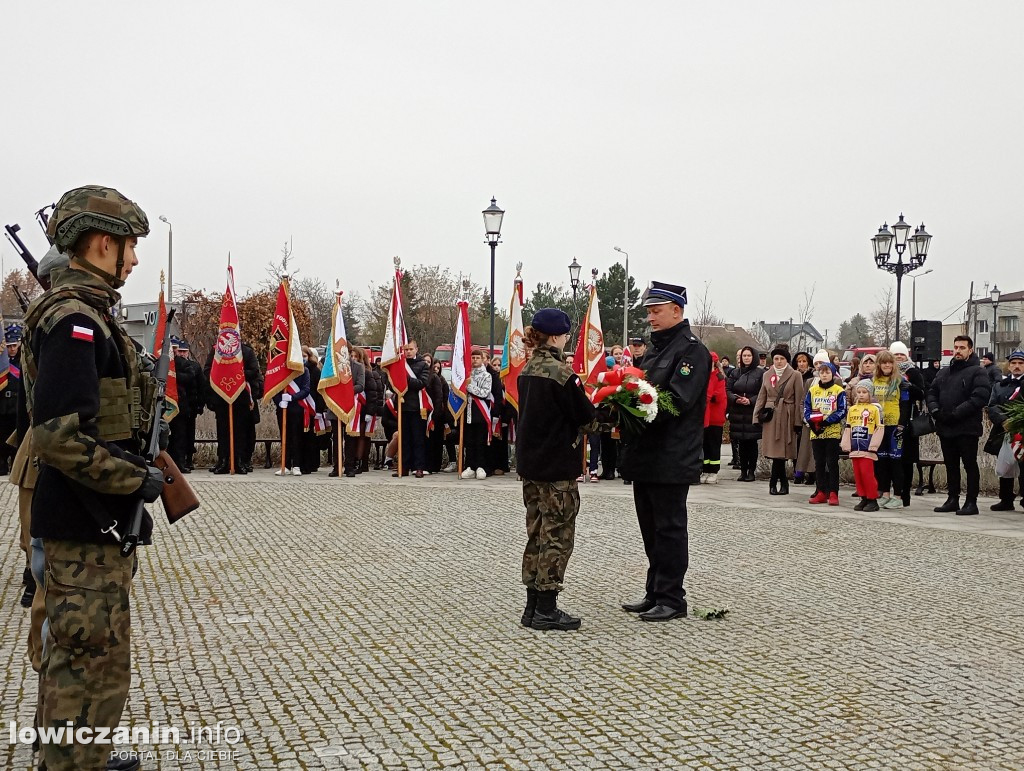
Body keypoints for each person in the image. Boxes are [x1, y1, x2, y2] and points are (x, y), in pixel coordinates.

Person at [22, 185, 163, 771]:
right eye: (129, 247)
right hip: (81, 530)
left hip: (90, 528)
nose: (133, 260)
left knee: (80, 669)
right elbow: (58, 436)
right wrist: (136, 477)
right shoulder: (74, 322)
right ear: (104, 244)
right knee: (86, 673)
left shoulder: (89, 316)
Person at [619, 281, 711, 622]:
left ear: (677, 310)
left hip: (672, 455)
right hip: (647, 454)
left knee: (669, 528)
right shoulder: (656, 350)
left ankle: (673, 598)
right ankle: (655, 590)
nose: (651, 317)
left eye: (656, 311)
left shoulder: (691, 351)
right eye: (648, 312)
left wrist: (632, 404)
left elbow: (677, 401)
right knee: (650, 527)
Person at [517, 308, 609, 631]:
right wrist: (610, 412)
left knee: (536, 534)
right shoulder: (561, 374)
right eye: (566, 334)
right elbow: (586, 419)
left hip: (532, 468)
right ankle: (546, 608)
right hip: (557, 469)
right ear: (556, 336)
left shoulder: (527, 369)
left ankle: (531, 606)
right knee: (557, 536)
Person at [926, 335, 991, 516]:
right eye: (955, 347)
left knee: (969, 465)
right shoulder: (943, 372)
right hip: (945, 426)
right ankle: (952, 499)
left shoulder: (978, 372)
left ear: (970, 350)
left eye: (962, 348)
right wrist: (935, 410)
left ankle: (971, 502)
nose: (958, 351)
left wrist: (956, 414)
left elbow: (979, 397)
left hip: (966, 427)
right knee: (951, 465)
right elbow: (931, 392)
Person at [753, 347, 806, 495]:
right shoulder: (767, 375)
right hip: (771, 417)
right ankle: (780, 483)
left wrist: (797, 421)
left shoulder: (795, 375)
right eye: (776, 358)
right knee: (776, 453)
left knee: (781, 453)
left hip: (787, 416)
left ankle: (774, 482)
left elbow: (799, 399)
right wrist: (756, 416)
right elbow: (761, 396)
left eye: (782, 359)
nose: (779, 361)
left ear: (787, 360)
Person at [204, 340, 261, 474]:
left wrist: (235, 373)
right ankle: (223, 460)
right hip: (222, 398)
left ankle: (240, 460)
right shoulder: (217, 351)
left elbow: (254, 371)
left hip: (241, 399)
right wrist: (222, 373)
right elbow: (207, 371)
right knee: (223, 431)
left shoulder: (246, 351)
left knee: (240, 432)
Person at [871, 351, 910, 510]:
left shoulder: (900, 381)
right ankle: (885, 493)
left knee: (896, 462)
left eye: (890, 363)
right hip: (879, 426)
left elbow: (906, 405)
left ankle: (898, 496)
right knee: (882, 462)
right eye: (883, 363)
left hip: (895, 426)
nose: (887, 365)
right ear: (879, 365)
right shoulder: (874, 381)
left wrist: (902, 425)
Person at [985, 349, 1024, 510]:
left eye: (1021, 364)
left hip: (1022, 432)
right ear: (1008, 366)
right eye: (1013, 363)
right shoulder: (1000, 385)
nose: (1016, 366)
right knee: (1006, 465)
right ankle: (1006, 499)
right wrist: (1004, 420)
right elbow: (992, 405)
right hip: (1004, 430)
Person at [889, 341, 927, 507]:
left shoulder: (912, 371)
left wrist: (910, 387)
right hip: (891, 418)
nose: (898, 357)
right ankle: (891, 492)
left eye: (901, 354)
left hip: (909, 420)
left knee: (906, 459)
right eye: (895, 354)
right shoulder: (887, 371)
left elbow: (922, 393)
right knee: (891, 459)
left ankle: (905, 494)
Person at [804, 362, 847, 505]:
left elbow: (842, 410)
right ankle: (821, 491)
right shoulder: (813, 390)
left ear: (833, 374)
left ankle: (833, 493)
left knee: (832, 462)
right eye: (822, 372)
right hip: (816, 431)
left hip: (832, 431)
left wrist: (826, 422)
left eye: (827, 372)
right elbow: (807, 408)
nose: (824, 374)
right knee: (819, 462)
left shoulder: (839, 390)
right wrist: (812, 423)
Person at [843, 383, 884, 511]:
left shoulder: (875, 409)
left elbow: (879, 428)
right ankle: (863, 497)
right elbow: (848, 427)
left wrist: (874, 445)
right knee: (858, 475)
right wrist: (846, 444)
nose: (861, 394)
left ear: (870, 394)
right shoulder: (852, 409)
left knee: (867, 474)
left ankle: (872, 499)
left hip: (868, 447)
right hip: (855, 447)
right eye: (859, 392)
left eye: (864, 392)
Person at [727, 346, 763, 482]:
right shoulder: (735, 372)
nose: (746, 358)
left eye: (748, 355)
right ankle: (742, 471)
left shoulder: (760, 374)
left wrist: (751, 401)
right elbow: (728, 389)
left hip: (752, 412)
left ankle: (751, 471)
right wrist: (736, 399)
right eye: (744, 356)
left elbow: (762, 392)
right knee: (741, 443)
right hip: (738, 411)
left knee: (751, 443)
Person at [272, 355, 310, 476]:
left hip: (297, 408)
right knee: (285, 437)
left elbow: (306, 389)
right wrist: (279, 401)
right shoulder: (281, 369)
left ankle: (297, 465)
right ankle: (285, 465)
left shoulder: (303, 370)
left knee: (296, 438)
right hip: (283, 408)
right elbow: (274, 387)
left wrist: (292, 397)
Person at [397, 340, 430, 478]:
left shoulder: (423, 365)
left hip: (417, 407)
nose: (408, 351)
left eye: (411, 349)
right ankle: (404, 466)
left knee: (418, 439)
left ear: (416, 349)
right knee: (404, 439)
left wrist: (406, 379)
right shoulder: (399, 364)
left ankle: (419, 467)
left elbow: (422, 383)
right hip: (402, 406)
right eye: (406, 349)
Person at [167, 337, 199, 474]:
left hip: (180, 405)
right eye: (173, 349)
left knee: (179, 437)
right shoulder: (163, 363)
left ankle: (180, 463)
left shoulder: (182, 363)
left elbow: (190, 376)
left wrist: (173, 376)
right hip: (165, 405)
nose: (175, 352)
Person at [461, 349, 494, 480]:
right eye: (473, 357)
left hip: (480, 411)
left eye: (477, 358)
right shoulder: (466, 374)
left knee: (480, 440)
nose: (475, 360)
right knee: (469, 441)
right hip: (468, 411)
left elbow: (484, 393)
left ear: (482, 359)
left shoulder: (487, 376)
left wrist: (469, 387)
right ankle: (470, 466)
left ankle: (481, 466)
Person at [339, 344, 368, 477]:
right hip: (337, 405)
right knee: (337, 437)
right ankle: (336, 466)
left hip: (352, 405)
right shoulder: (335, 367)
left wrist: (346, 392)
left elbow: (360, 386)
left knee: (350, 438)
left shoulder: (358, 367)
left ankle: (349, 466)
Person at [0, 323, 23, 475]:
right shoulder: (2, 364)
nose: (12, 348)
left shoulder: (24, 362)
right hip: (2, 408)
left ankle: (16, 469)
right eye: (9, 345)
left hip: (17, 407)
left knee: (17, 443)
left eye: (15, 345)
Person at [702, 352, 727, 484]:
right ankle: (705, 469)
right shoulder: (703, 376)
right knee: (705, 444)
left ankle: (713, 471)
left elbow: (718, 396)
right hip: (704, 416)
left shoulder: (719, 376)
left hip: (715, 417)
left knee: (714, 445)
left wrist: (706, 396)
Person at [792, 351, 815, 486]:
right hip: (794, 411)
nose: (801, 364)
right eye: (799, 361)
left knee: (807, 445)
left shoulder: (811, 377)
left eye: (804, 361)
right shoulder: (793, 375)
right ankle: (798, 472)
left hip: (807, 412)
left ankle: (811, 473)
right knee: (796, 444)